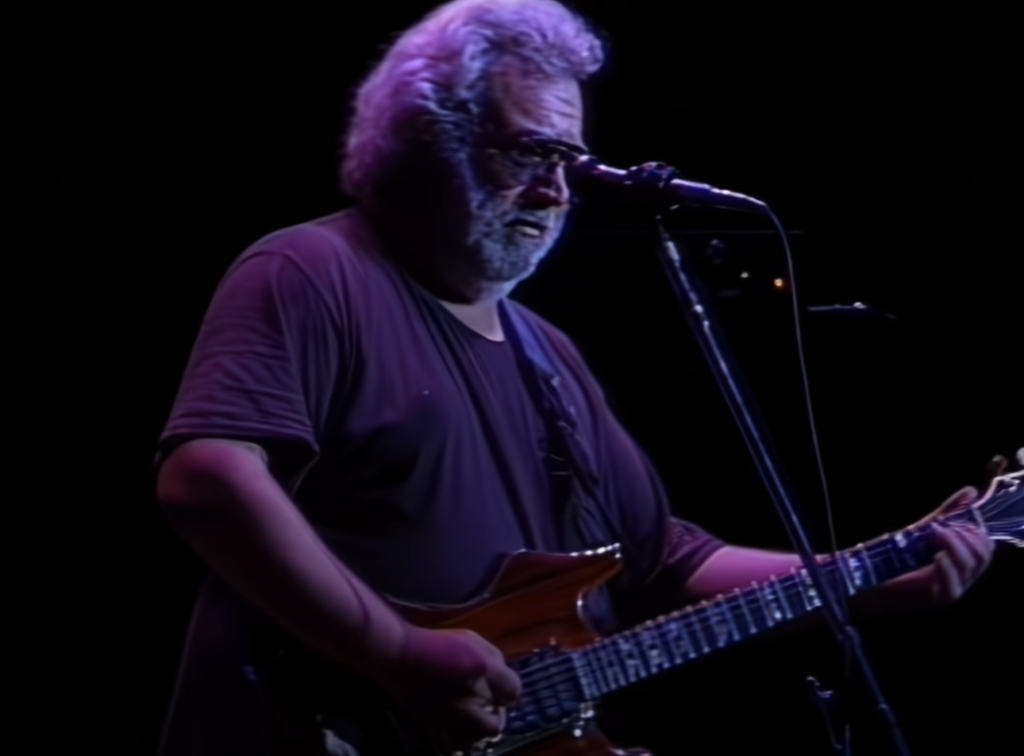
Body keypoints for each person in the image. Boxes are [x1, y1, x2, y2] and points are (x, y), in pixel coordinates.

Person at [153, 1, 995, 754]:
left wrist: (871, 574)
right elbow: (208, 479)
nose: (558, 190)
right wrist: (400, 656)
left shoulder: (547, 351)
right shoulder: (312, 272)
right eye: (531, 152)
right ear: (425, 142)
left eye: (572, 160)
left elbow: (661, 559)